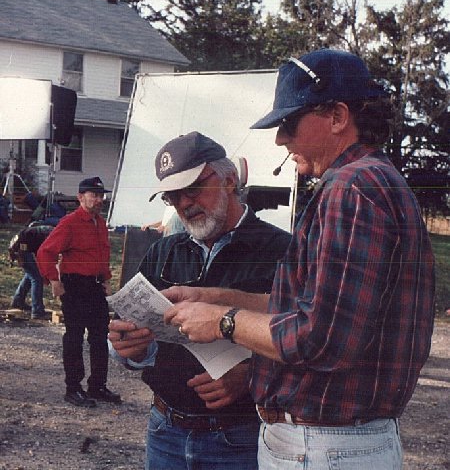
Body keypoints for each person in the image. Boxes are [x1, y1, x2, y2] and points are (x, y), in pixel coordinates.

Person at [162, 50, 436, 469]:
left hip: (325, 446)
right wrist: (211, 296)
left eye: (288, 124)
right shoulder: (370, 180)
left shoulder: (351, 189)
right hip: (335, 443)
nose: (280, 139)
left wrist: (223, 321)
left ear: (338, 117)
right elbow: (308, 306)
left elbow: (320, 338)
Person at [108, 131, 292, 470]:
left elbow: (309, 339)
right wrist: (128, 349)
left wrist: (251, 377)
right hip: (165, 430)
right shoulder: (161, 252)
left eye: (193, 188)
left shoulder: (282, 251)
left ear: (230, 180)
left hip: (242, 437)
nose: (184, 203)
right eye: (172, 196)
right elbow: (136, 344)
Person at [36, 176, 121, 408]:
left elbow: (102, 254)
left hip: (94, 287)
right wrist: (54, 280)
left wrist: (106, 280)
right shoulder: (69, 223)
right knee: (74, 338)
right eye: (94, 195)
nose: (99, 199)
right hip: (74, 286)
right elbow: (45, 252)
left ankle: (97, 386)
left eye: (101, 195)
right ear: (80, 197)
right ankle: (73, 388)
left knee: (99, 337)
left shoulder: (100, 223)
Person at [9, 222, 55, 318]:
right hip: (21, 247)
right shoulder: (54, 235)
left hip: (19, 244)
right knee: (37, 278)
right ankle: (37, 311)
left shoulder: (48, 232)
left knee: (30, 274)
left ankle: (18, 301)